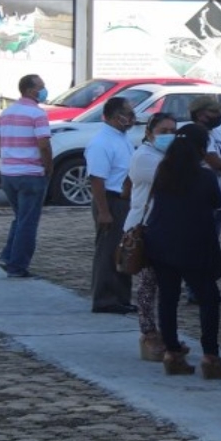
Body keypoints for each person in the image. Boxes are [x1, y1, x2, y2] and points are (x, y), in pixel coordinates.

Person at [143, 124, 221, 379]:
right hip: (195, 244)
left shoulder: (163, 170)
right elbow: (217, 202)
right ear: (202, 148)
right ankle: (211, 356)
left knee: (168, 298)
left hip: (161, 242)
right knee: (209, 299)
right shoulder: (204, 176)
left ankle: (172, 352)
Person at [0, 74, 52, 279]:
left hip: (9, 174)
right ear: (31, 90)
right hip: (31, 174)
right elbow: (44, 144)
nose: (44, 90)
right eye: (41, 87)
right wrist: (48, 166)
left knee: (20, 218)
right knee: (28, 222)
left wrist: (7, 158)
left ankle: (8, 257)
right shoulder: (37, 114)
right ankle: (17, 265)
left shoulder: (7, 113)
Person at [126, 112, 178, 361]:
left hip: (165, 227)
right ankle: (148, 333)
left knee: (164, 283)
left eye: (173, 131)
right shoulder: (145, 157)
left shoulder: (165, 156)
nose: (169, 136)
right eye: (163, 131)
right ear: (149, 133)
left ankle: (166, 336)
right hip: (144, 227)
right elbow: (173, 180)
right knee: (148, 284)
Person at [84, 97, 137, 314]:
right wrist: (104, 212)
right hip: (111, 200)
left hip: (124, 200)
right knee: (108, 252)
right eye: (129, 113)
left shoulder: (121, 138)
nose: (133, 118)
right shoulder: (102, 142)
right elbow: (97, 179)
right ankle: (105, 299)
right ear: (117, 116)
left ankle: (121, 297)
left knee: (123, 251)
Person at [189, 95, 221, 223]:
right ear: (200, 115)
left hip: (220, 195)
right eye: (214, 111)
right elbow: (215, 162)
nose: (220, 115)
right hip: (204, 199)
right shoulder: (198, 134)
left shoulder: (215, 133)